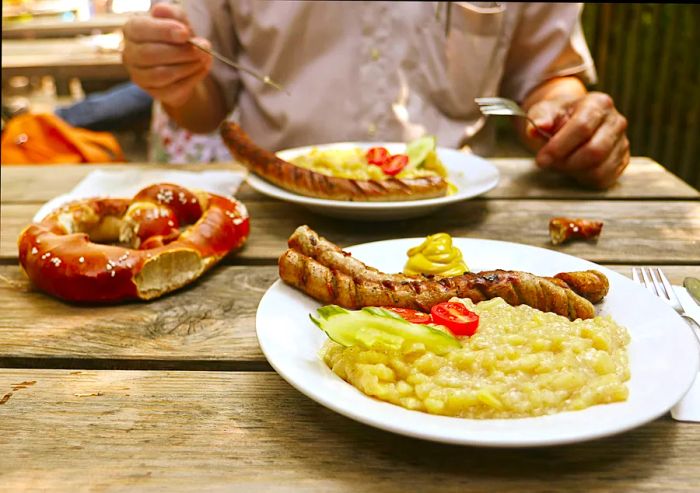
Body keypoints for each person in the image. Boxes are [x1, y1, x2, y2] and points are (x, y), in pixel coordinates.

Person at [122, 1, 630, 189]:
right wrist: (175, 78)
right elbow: (205, 105)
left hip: (463, 216)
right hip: (278, 206)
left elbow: (546, 77)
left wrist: (564, 113)